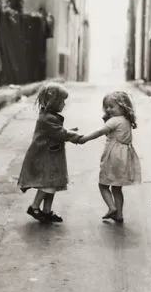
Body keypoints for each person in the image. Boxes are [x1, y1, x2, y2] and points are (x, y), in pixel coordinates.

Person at [18, 82, 81, 223]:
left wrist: (69, 132)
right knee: (48, 184)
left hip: (50, 156)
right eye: (62, 101)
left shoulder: (49, 116)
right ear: (54, 102)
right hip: (44, 157)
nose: (64, 104)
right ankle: (34, 207)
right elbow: (60, 133)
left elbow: (56, 132)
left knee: (52, 184)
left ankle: (46, 211)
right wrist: (75, 137)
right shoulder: (47, 118)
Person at [78, 91, 141, 223]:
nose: (108, 109)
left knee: (103, 184)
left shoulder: (114, 121)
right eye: (106, 107)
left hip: (113, 156)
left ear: (122, 107)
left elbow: (100, 131)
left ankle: (112, 207)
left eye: (112, 106)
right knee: (117, 187)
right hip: (125, 156)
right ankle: (119, 214)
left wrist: (84, 139)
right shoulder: (126, 120)